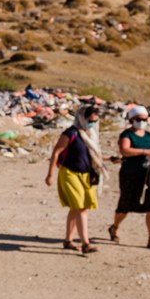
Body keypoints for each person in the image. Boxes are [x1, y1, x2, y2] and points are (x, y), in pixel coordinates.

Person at [45, 104, 109, 254]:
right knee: (81, 207)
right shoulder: (70, 133)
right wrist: (50, 175)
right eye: (90, 120)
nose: (92, 123)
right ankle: (86, 243)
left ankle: (68, 240)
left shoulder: (91, 135)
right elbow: (56, 153)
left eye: (95, 121)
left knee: (77, 207)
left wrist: (110, 159)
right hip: (70, 173)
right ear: (82, 118)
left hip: (86, 175)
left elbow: (93, 154)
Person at [107, 105, 150, 250]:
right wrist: (145, 151)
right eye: (139, 119)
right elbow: (124, 150)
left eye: (145, 119)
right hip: (130, 174)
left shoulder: (149, 136)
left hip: (148, 175)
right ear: (132, 119)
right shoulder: (127, 135)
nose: (142, 122)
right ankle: (114, 226)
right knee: (125, 205)